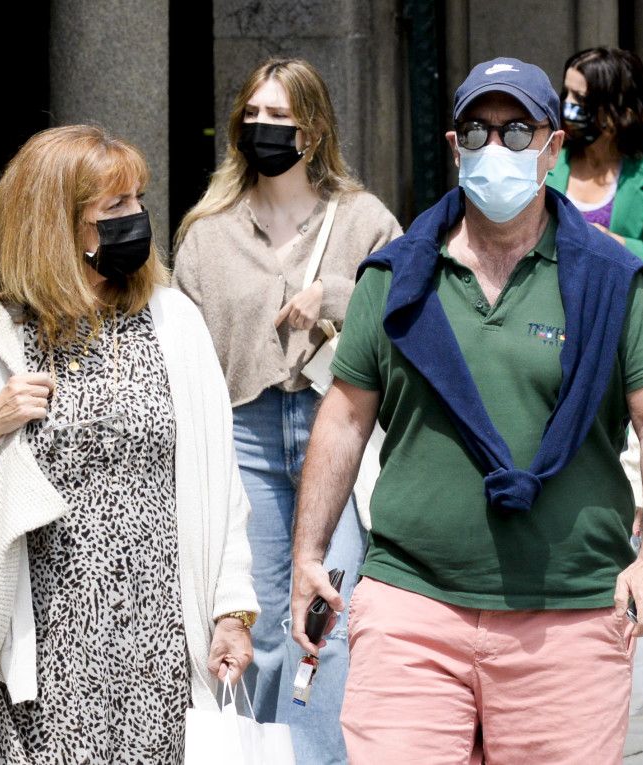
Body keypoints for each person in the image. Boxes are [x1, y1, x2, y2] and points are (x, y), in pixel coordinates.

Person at [288, 57, 643, 763]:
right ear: (453, 146)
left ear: (553, 147)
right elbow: (345, 417)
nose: (495, 148)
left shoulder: (611, 281)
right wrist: (307, 556)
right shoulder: (397, 276)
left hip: (566, 615)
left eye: (516, 131)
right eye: (477, 130)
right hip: (413, 605)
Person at [0, 125, 257, 763]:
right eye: (113, 207)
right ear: (54, 223)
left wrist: (230, 609)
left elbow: (220, 482)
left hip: (163, 634)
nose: (135, 218)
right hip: (51, 632)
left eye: (138, 200)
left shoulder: (173, 320)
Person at [172, 57, 401, 763]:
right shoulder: (207, 233)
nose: (265, 129)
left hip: (335, 427)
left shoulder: (364, 219)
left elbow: (407, 310)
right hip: (244, 434)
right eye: (255, 116)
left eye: (282, 118)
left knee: (327, 616)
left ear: (314, 129)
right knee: (261, 624)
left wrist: (333, 295)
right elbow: (184, 349)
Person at [545, 46, 643, 278]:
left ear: (622, 111)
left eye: (580, 98)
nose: (567, 106)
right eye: (566, 93)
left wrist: (613, 243)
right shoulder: (548, 161)